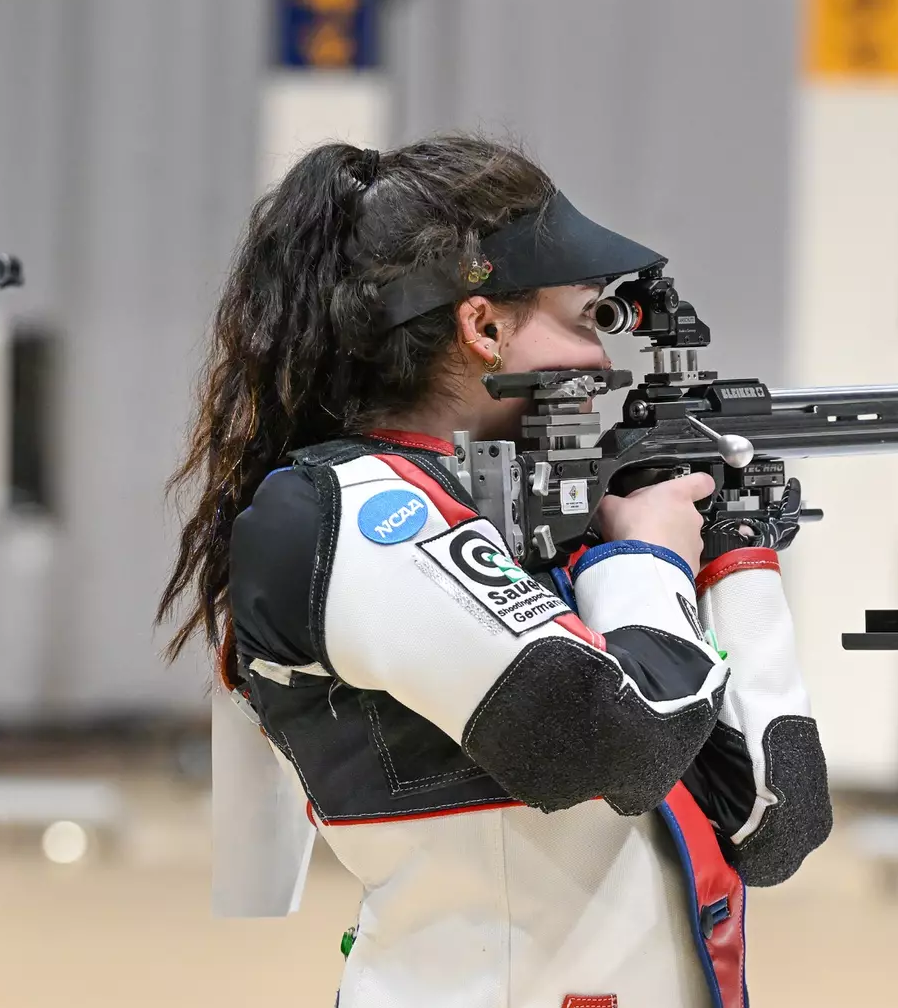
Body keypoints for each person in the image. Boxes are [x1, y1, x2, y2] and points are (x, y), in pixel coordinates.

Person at [159, 135, 831, 1008]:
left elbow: (781, 826)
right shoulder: (351, 511)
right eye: (590, 318)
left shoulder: (529, 537)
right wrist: (648, 554)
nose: (602, 363)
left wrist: (737, 558)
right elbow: (608, 746)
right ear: (483, 326)